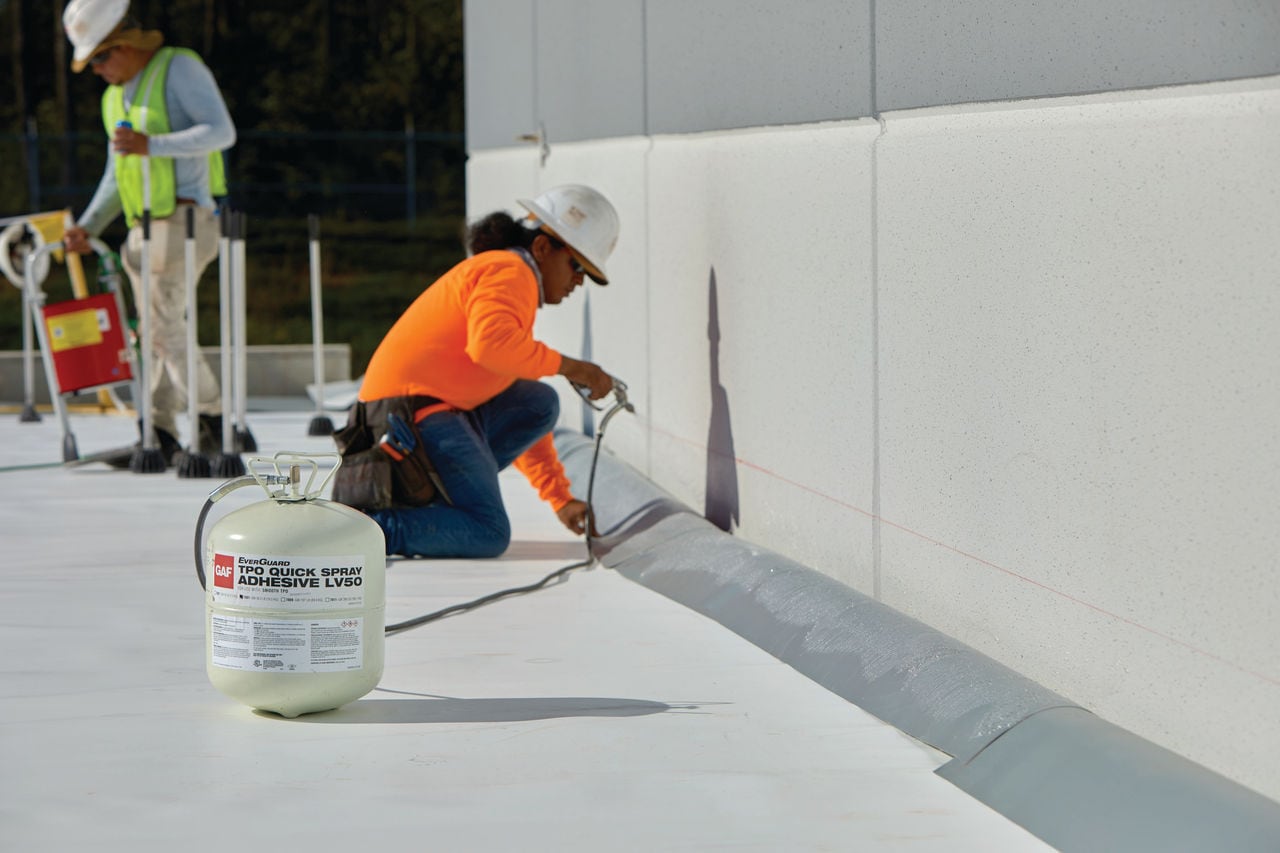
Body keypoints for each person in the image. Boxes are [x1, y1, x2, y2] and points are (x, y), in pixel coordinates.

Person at [348, 184, 621, 558]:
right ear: (543, 247)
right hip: (406, 418)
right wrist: (575, 368)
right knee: (487, 531)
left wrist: (559, 497)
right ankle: (371, 530)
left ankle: (437, 512)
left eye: (586, 274)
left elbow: (519, 399)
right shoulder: (511, 271)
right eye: (576, 266)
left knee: (538, 401)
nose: (578, 281)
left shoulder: (509, 281)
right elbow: (490, 346)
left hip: (410, 418)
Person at [61, 0, 236, 465]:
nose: (97, 70)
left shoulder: (178, 68)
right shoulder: (114, 98)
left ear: (126, 44)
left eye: (101, 57)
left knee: (162, 327)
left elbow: (222, 132)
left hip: (184, 221)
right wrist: (87, 226)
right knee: (152, 332)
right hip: (142, 230)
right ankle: (159, 432)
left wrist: (152, 144)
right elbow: (116, 174)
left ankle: (216, 420)